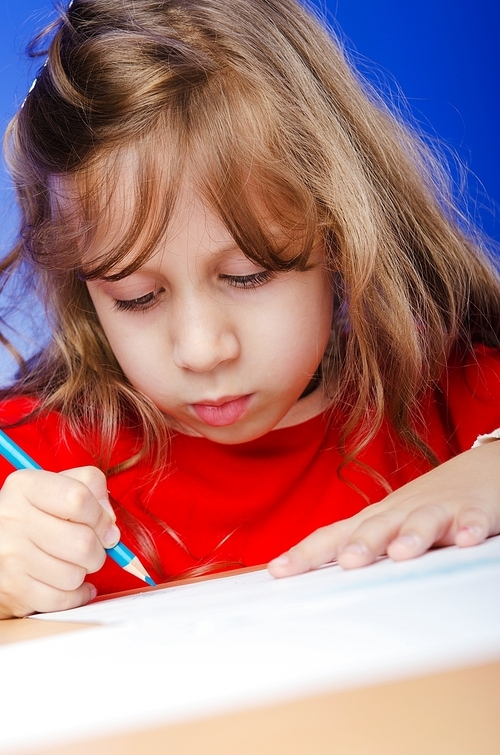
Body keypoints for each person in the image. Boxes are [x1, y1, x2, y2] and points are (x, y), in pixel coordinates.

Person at [0, 0, 499, 620]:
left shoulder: (452, 395)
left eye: (248, 275)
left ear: (339, 233)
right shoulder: (34, 462)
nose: (203, 348)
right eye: (137, 297)